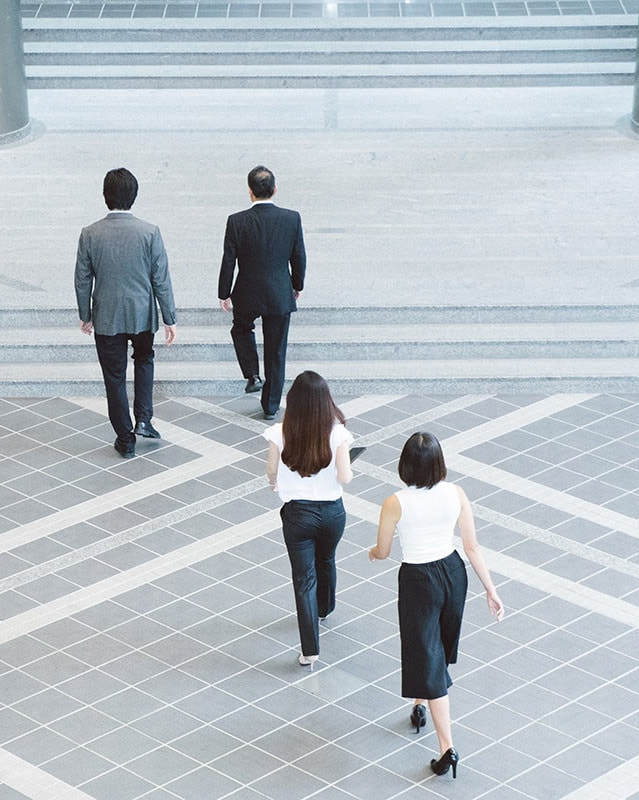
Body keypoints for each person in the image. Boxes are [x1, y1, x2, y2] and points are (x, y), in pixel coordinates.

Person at [369, 432, 505, 779]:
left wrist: (372, 553)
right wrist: (491, 589)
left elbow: (383, 551)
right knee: (434, 649)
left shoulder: (395, 502)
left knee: (427, 656)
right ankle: (419, 703)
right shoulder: (456, 493)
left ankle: (447, 748)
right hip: (453, 573)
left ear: (405, 465)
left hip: (419, 581)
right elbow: (472, 546)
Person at [75, 167, 178, 458]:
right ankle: (144, 419)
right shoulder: (150, 232)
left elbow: (83, 278)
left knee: (114, 376)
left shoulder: (90, 234)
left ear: (105, 196)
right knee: (144, 360)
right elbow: (161, 277)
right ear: (134, 196)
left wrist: (86, 314)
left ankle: (125, 436)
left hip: (107, 316)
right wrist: (169, 317)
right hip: (143, 314)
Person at [264, 371, 353, 667]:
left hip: (297, 515)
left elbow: (271, 472)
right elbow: (346, 478)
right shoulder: (338, 433)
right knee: (326, 559)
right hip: (331, 513)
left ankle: (310, 649)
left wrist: (278, 482)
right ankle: (325, 607)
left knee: (303, 579)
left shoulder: (280, 432)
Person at [218, 165, 306, 420]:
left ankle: (252, 374)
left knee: (241, 328)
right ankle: (270, 405)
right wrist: (296, 285)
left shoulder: (237, 220)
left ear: (250, 192)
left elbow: (228, 260)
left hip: (246, 290)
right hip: (279, 290)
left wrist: (224, 292)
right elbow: (298, 256)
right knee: (276, 349)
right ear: (275, 189)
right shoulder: (292, 218)